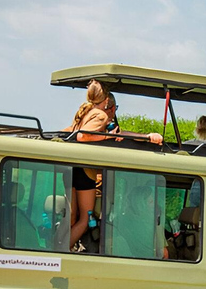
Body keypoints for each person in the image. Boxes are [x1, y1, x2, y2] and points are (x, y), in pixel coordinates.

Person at [65, 80, 163, 250]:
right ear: (108, 104)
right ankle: (61, 250)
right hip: (85, 171)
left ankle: (56, 245)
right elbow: (83, 137)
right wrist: (108, 137)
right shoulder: (100, 115)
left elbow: (74, 133)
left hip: (73, 167)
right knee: (84, 220)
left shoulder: (84, 113)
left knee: (72, 216)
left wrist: (146, 136)